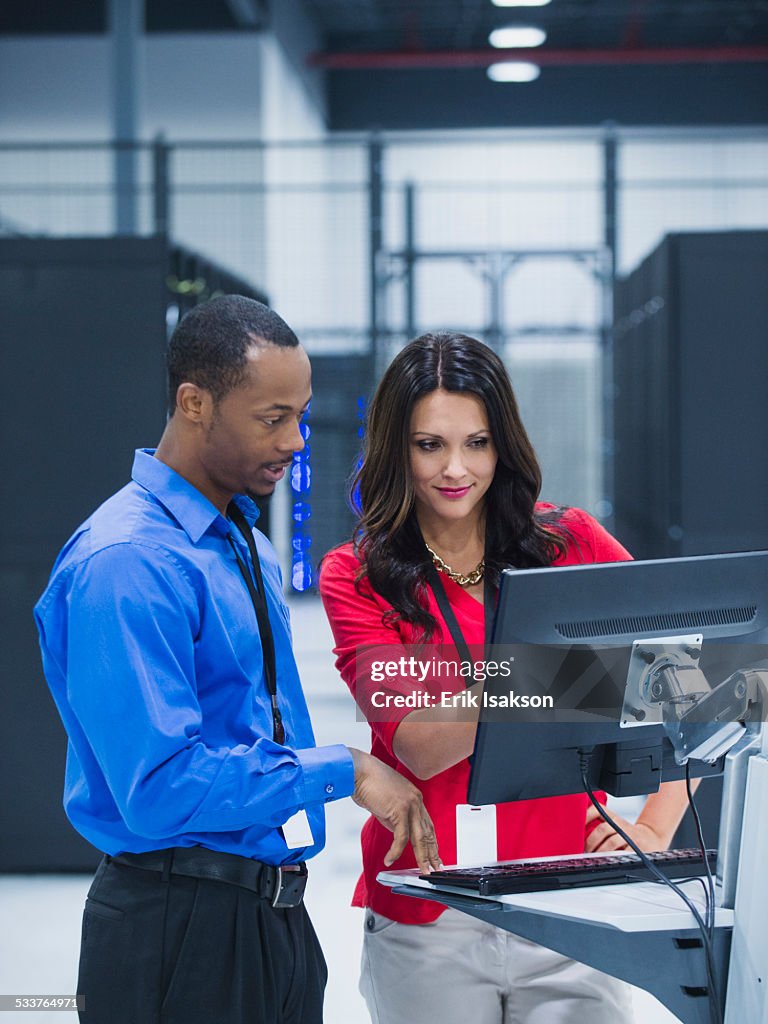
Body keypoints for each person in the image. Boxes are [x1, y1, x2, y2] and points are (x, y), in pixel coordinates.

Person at [34, 295, 440, 1024]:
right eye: (271, 417)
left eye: (301, 416)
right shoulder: (128, 562)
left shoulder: (242, 543)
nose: (294, 441)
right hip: (176, 929)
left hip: (271, 915)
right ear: (194, 403)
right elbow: (159, 787)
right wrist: (341, 769)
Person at [319, 331, 697, 1024]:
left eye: (478, 442)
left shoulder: (572, 543)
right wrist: (580, 670)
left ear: (505, 444)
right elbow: (419, 743)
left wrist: (656, 823)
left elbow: (699, 681)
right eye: (428, 444)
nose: (455, 468)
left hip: (570, 903)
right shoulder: (357, 574)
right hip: (427, 909)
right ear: (393, 448)